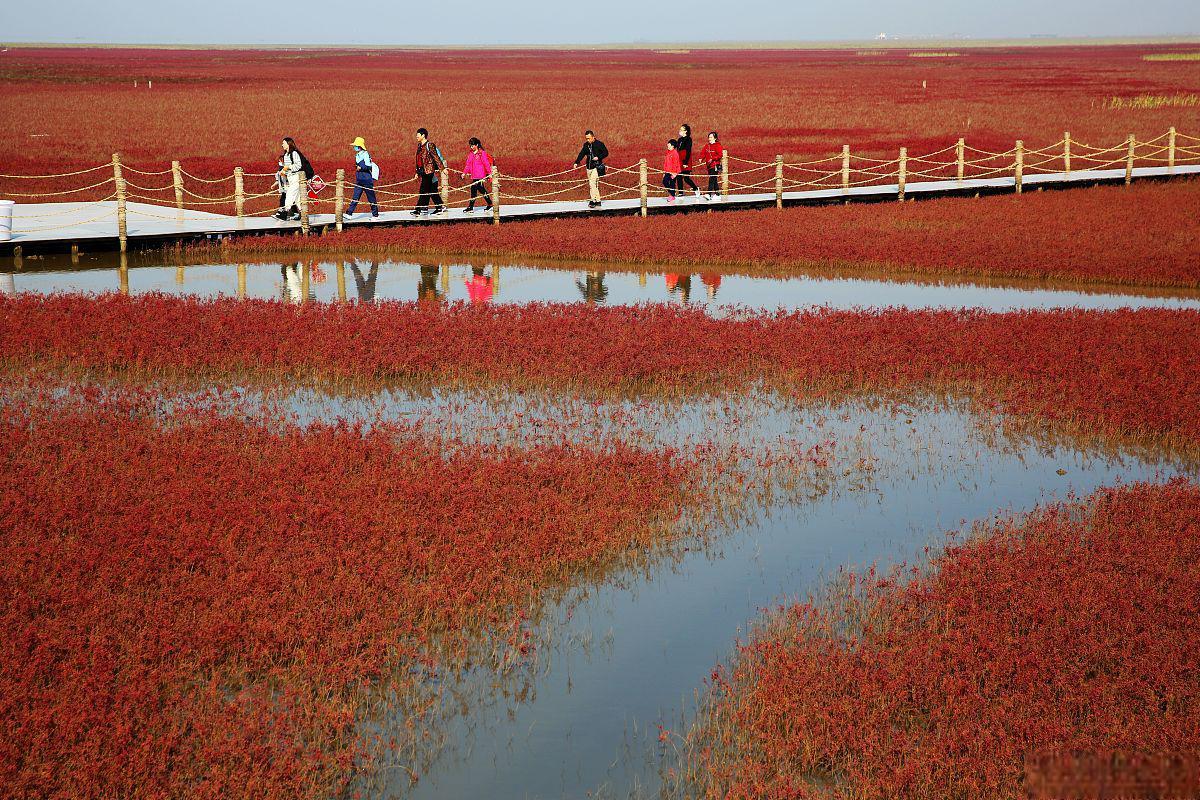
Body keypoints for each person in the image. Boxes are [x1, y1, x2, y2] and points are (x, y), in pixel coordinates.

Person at [412, 128, 446, 216]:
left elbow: (436, 157)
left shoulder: (429, 145)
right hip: (423, 171)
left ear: (423, 135)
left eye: (418, 135)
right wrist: (417, 172)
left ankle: (418, 210)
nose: (416, 136)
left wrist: (442, 168)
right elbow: (418, 160)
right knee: (432, 190)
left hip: (429, 171)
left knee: (423, 190)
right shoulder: (420, 146)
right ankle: (440, 207)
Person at [573, 130, 609, 209]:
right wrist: (576, 162)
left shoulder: (599, 144)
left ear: (593, 137)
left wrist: (598, 157)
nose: (588, 140)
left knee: (592, 183)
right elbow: (582, 154)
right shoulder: (586, 145)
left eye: (589, 138)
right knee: (593, 185)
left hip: (596, 167)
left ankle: (593, 201)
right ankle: (598, 201)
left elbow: (606, 153)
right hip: (588, 167)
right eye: (586, 138)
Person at [346, 136, 379, 219]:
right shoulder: (357, 155)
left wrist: (361, 168)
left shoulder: (365, 154)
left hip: (366, 179)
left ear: (360, 146)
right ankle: (349, 213)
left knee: (371, 198)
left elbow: (368, 165)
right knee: (355, 197)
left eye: (356, 146)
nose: (354, 147)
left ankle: (375, 215)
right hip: (359, 179)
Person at [462, 138, 494, 214]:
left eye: (472, 145)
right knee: (481, 190)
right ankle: (490, 204)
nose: (471, 147)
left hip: (480, 175)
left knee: (473, 190)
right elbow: (468, 164)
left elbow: (486, 163)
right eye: (470, 146)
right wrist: (464, 173)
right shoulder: (471, 154)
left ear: (477, 145)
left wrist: (489, 173)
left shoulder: (481, 153)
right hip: (474, 175)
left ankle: (471, 207)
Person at [275, 137, 304, 221]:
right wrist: (284, 172)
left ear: (288, 144)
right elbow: (286, 168)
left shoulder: (294, 153)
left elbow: (298, 165)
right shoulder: (286, 155)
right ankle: (303, 214)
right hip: (290, 178)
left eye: (283, 143)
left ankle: (285, 212)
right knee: (297, 197)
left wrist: (288, 167)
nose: (282, 145)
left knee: (289, 195)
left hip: (295, 177)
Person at [676, 124, 700, 200]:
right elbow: (677, 150)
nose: (680, 131)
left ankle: (696, 189)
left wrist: (685, 162)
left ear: (686, 131)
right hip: (679, 159)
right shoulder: (679, 140)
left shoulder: (688, 139)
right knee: (678, 176)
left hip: (686, 159)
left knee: (686, 178)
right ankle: (680, 192)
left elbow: (688, 151)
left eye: (681, 130)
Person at [699, 131, 725, 201]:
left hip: (715, 165)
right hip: (709, 165)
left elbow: (720, 155)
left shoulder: (718, 145)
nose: (709, 139)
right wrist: (701, 158)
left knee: (711, 179)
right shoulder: (707, 146)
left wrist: (713, 158)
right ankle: (717, 194)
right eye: (709, 137)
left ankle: (709, 194)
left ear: (715, 138)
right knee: (714, 179)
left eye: (711, 137)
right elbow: (703, 152)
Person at [663, 139, 682, 203]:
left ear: (672, 146)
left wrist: (674, 173)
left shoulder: (675, 153)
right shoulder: (668, 152)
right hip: (668, 171)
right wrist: (664, 171)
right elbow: (666, 163)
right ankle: (672, 193)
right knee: (665, 181)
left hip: (673, 172)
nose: (667, 145)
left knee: (672, 183)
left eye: (669, 144)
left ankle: (672, 195)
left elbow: (676, 164)